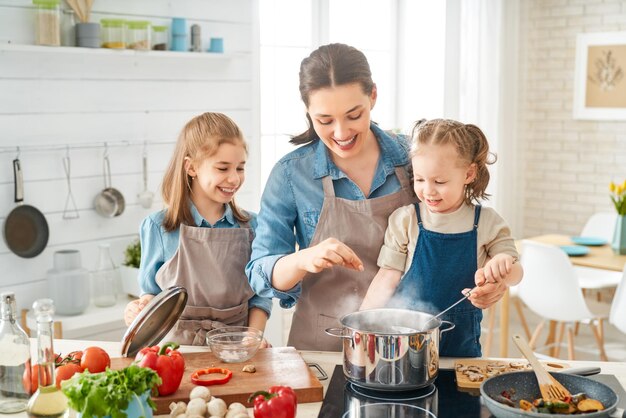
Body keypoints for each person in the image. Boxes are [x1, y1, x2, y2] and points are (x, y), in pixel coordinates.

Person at [246, 43, 418, 351]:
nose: (340, 132)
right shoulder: (290, 174)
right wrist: (303, 259)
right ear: (308, 113)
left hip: (406, 338)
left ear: (373, 97)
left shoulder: (413, 158)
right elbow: (259, 273)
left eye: (353, 115)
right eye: (325, 120)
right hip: (323, 346)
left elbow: (457, 230)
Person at [360, 118, 523, 357]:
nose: (428, 190)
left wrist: (503, 266)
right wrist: (362, 324)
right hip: (407, 340)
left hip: (462, 344)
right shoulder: (405, 220)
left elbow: (516, 274)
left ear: (468, 174)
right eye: (419, 179)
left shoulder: (488, 222)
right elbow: (387, 277)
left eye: (440, 181)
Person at [124, 112, 271, 346]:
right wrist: (138, 309)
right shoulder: (158, 227)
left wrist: (253, 337)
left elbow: (261, 297)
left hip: (236, 347)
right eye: (223, 168)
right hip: (174, 350)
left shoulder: (253, 226)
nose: (234, 179)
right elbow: (151, 294)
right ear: (191, 167)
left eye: (240, 168)